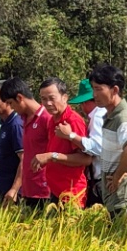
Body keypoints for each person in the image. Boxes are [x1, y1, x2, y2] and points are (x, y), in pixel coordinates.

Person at [86, 64, 127, 219]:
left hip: (126, 199)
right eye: (93, 89)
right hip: (118, 197)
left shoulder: (123, 118)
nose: (94, 94)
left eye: (99, 89)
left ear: (114, 90)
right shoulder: (111, 115)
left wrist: (117, 176)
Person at [29, 78, 89, 207]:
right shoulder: (52, 120)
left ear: (65, 98)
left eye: (52, 98)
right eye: (43, 99)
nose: (48, 103)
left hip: (72, 194)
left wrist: (51, 156)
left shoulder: (73, 121)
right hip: (55, 190)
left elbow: (86, 159)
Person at [0, 77, 53, 210]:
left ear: (19, 98)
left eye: (11, 103)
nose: (11, 108)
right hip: (28, 190)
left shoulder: (47, 118)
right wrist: (15, 188)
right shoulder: (23, 119)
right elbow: (25, 158)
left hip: (45, 191)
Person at [60, 78, 105, 207]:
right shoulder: (105, 114)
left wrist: (70, 136)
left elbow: (97, 147)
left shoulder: (97, 116)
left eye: (82, 103)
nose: (82, 107)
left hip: (102, 179)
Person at [0, 81, 24, 205]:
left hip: (15, 193)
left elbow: (24, 159)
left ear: (7, 101)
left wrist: (14, 189)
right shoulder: (4, 124)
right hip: (4, 187)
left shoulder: (16, 125)